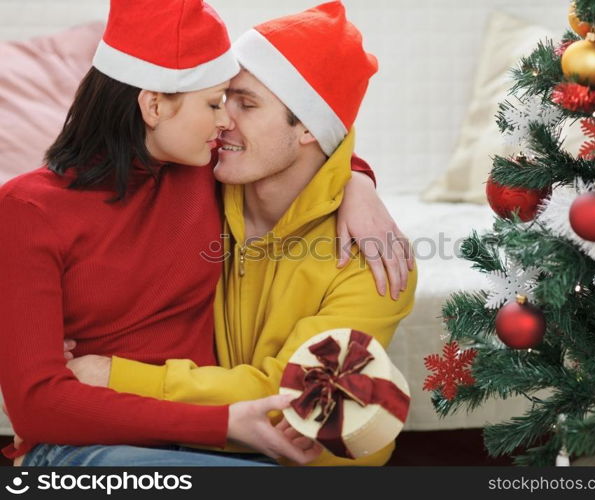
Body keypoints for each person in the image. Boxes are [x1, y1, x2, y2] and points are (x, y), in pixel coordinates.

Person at [0, 0, 407, 467]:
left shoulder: (201, 173)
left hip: (209, 444)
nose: (224, 121)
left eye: (239, 103)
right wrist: (222, 423)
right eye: (216, 102)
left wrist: (358, 180)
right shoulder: (31, 206)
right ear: (153, 106)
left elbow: (303, 154)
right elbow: (35, 407)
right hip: (94, 444)